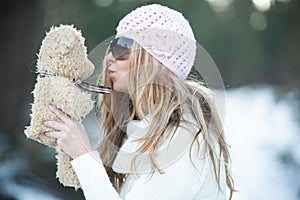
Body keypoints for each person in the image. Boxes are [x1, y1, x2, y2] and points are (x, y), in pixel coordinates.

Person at [44, 4, 236, 200]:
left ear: (155, 60)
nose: (109, 57)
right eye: (112, 46)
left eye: (123, 47)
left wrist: (83, 154)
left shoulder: (183, 140)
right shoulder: (150, 131)